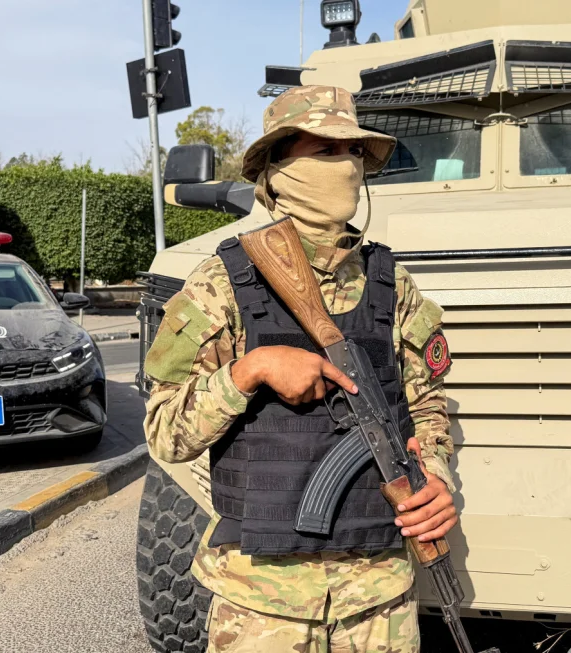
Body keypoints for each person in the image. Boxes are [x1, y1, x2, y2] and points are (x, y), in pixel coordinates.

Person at [142, 85, 458, 653]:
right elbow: (165, 432)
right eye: (323, 152)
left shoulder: (392, 284)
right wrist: (250, 371)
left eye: (352, 153)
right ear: (277, 170)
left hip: (379, 595)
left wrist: (435, 477)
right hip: (261, 602)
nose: (342, 167)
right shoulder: (221, 285)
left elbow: (426, 406)